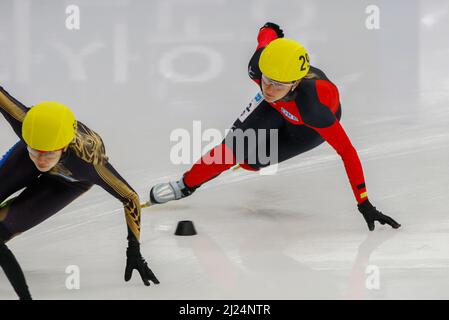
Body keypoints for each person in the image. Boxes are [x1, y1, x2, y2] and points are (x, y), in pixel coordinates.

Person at [148, 22, 401, 232]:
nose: (268, 89)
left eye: (278, 84)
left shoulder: (315, 108)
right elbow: (265, 37)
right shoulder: (259, 67)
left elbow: (347, 152)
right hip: (275, 109)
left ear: (295, 83)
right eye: (266, 81)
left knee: (255, 162)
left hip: (306, 128)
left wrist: (364, 202)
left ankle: (250, 161)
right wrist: (269, 29)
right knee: (231, 150)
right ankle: (185, 186)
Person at [0, 89, 159, 300]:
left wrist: (134, 249)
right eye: (35, 152)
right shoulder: (27, 124)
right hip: (28, 155)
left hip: (69, 183)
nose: (40, 161)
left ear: (64, 147)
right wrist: (38, 150)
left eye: (48, 155)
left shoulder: (90, 162)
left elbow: (129, 197)